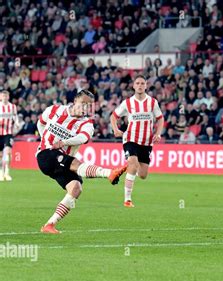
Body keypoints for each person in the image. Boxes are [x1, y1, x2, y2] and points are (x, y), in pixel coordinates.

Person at [36, 90, 127, 234]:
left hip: (62, 160)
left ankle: (49, 225)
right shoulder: (54, 110)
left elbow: (82, 138)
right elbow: (41, 123)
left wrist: (64, 142)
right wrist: (45, 142)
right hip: (46, 155)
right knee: (75, 163)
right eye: (83, 103)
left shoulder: (87, 124)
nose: (85, 107)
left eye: (89, 105)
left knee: (76, 188)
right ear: (75, 100)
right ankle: (109, 173)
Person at [110, 75, 164, 207]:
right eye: (137, 83)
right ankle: (127, 200)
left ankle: (126, 167)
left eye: (142, 83)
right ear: (133, 86)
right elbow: (114, 116)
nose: (140, 86)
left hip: (146, 142)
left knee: (143, 175)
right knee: (133, 165)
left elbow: (160, 118)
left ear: (146, 86)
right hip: (131, 139)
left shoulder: (152, 102)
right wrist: (116, 129)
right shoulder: (127, 103)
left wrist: (158, 133)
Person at [0, 91, 20, 181]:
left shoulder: (12, 107)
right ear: (1, 97)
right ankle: (1, 173)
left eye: (6, 96)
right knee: (0, 155)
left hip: (8, 132)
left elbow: (15, 117)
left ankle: (7, 173)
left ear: (8, 97)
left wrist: (17, 123)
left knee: (7, 152)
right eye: (3, 96)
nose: (4, 97)